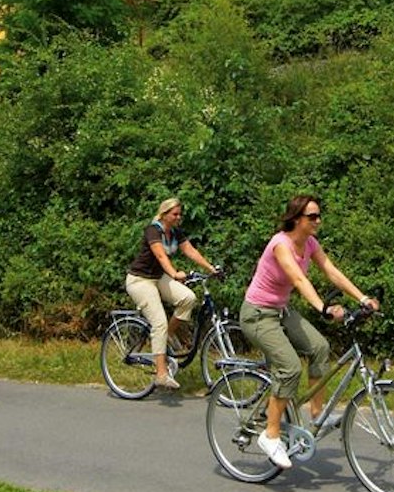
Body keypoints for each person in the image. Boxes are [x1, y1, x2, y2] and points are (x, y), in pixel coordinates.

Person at [240, 194, 377, 468]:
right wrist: (323, 308)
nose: (318, 220)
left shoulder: (310, 243)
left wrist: (362, 298)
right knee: (289, 368)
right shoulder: (281, 244)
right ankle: (271, 435)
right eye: (312, 216)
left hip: (281, 311)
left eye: (318, 215)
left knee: (320, 348)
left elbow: (331, 271)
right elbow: (298, 279)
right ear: (296, 218)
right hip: (257, 314)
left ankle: (317, 413)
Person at [124, 197, 219, 391]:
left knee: (188, 298)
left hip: (158, 277)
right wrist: (174, 273)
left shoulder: (175, 232)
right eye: (175, 214)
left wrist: (211, 269)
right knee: (159, 322)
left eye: (179, 214)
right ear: (164, 214)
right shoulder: (153, 230)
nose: (178, 217)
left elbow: (189, 250)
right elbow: (160, 255)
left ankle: (165, 336)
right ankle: (161, 374)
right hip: (140, 280)